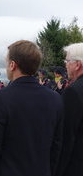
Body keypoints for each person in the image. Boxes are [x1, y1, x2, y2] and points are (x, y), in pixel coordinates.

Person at [0, 40, 64, 176]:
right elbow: (56, 146)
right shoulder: (55, 99)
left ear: (12, 65)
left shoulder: (0, 98)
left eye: (7, 62)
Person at [55, 43, 83, 176]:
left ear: (77, 64)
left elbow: (66, 137)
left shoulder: (73, 91)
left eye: (67, 61)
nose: (65, 65)